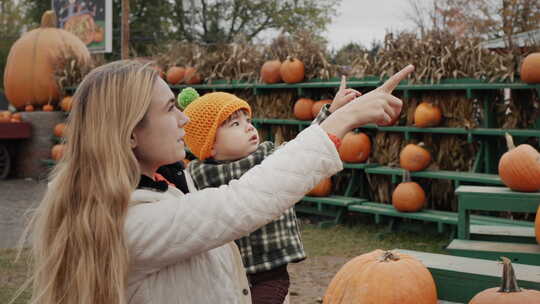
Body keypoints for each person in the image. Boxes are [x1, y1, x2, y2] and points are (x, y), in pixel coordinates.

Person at [20, 60, 413, 304]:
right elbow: (242, 202)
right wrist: (338, 124)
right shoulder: (126, 221)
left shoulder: (165, 184)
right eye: (170, 109)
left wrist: (329, 118)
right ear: (129, 135)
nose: (184, 121)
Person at [180, 77, 360, 304]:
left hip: (270, 270)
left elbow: (304, 146)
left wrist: (332, 112)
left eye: (247, 119)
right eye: (235, 124)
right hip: (225, 274)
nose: (249, 126)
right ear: (210, 144)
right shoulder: (196, 175)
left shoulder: (267, 157)